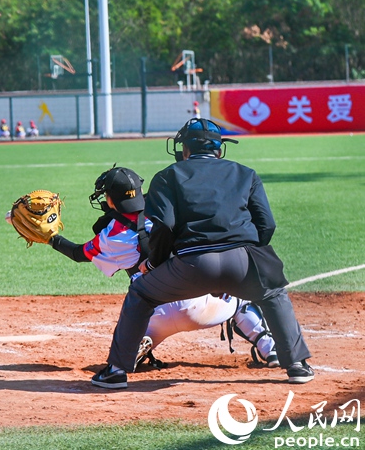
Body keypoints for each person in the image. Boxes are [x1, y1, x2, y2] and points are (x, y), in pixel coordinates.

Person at [91, 119, 313, 389]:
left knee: (141, 293)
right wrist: (248, 260)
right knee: (273, 292)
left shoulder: (168, 176)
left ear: (184, 149)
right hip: (242, 259)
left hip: (193, 264)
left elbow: (165, 228)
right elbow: (267, 225)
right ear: (219, 149)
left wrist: (155, 262)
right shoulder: (246, 173)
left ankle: (116, 371)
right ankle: (297, 365)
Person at [44, 166, 278, 371]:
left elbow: (78, 253)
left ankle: (138, 344)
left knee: (136, 312)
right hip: (205, 303)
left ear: (112, 200)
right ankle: (269, 346)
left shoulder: (113, 235)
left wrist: (51, 238)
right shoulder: (170, 210)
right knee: (240, 295)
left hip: (157, 313)